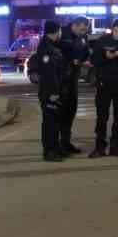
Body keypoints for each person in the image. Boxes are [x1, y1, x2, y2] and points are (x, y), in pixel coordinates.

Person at [89, 18, 118, 157]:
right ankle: (100, 147)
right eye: (117, 31)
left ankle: (115, 146)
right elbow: (93, 60)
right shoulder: (103, 41)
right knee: (102, 117)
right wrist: (107, 57)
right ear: (113, 28)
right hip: (104, 84)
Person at [34, 20, 69, 161]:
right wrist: (54, 93)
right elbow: (50, 75)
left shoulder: (52, 46)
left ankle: (55, 148)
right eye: (59, 31)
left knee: (55, 122)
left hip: (55, 91)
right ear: (55, 31)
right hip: (50, 93)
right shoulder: (47, 49)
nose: (61, 33)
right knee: (50, 123)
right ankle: (49, 151)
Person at [57, 17, 91, 155]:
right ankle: (57, 144)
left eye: (85, 30)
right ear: (74, 26)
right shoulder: (61, 34)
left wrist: (82, 60)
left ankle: (66, 142)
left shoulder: (83, 37)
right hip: (61, 79)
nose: (84, 32)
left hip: (73, 78)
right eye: (82, 29)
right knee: (60, 112)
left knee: (71, 111)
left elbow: (86, 52)